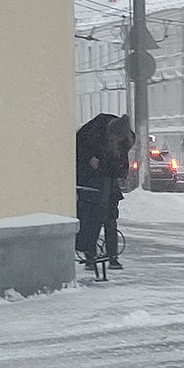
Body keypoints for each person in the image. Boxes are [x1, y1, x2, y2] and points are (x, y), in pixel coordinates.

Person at [75, 113, 134, 270]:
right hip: (90, 180)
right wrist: (90, 160)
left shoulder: (126, 138)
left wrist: (121, 173)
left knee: (110, 218)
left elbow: (121, 160)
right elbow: (78, 149)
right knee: (92, 218)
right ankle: (90, 255)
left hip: (108, 180)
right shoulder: (92, 132)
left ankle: (112, 256)